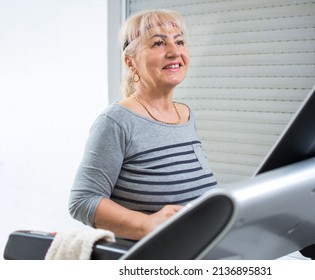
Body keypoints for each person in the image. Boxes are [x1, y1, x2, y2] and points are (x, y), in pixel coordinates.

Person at [68, 9, 218, 241]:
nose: (174, 51)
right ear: (130, 62)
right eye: (158, 43)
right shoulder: (116, 121)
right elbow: (82, 201)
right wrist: (145, 224)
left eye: (179, 41)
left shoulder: (185, 115)